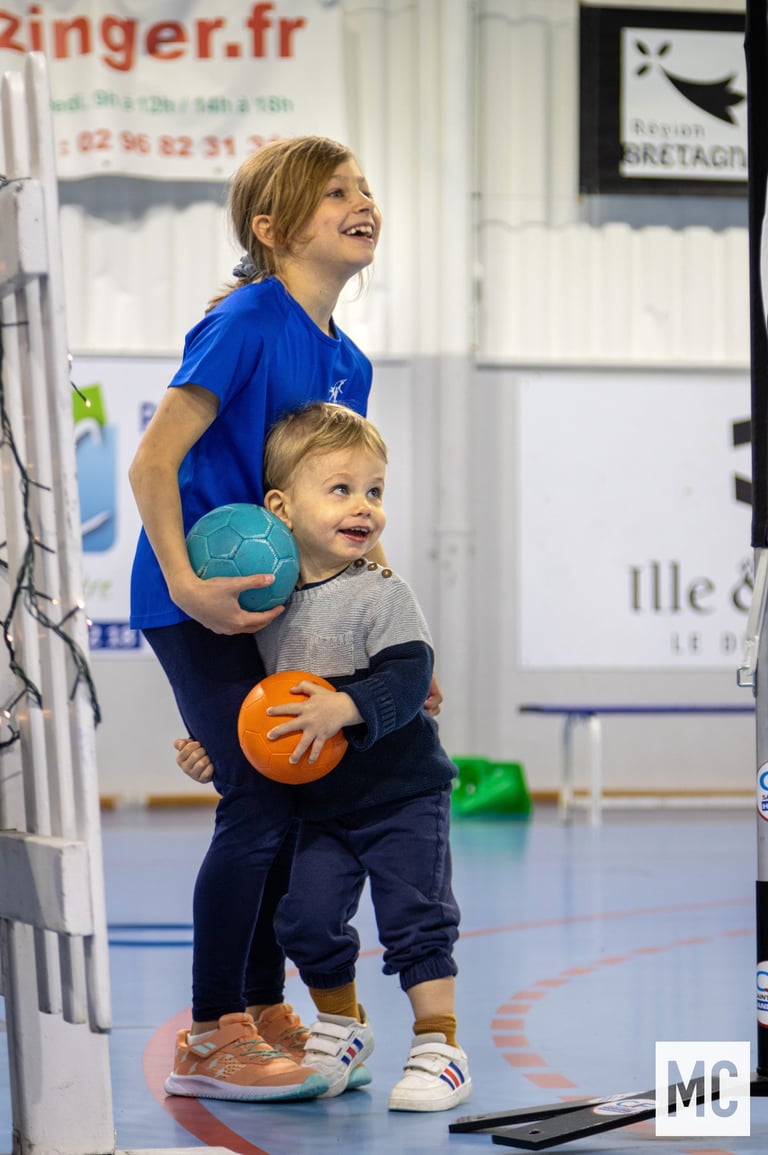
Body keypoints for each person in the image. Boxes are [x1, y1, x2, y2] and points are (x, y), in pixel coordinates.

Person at [129, 136, 387, 1103]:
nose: (361, 203)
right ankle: (209, 1034)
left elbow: (334, 513)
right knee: (260, 799)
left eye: (364, 190)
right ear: (272, 229)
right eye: (334, 194)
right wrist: (190, 582)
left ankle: (261, 1004)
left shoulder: (348, 362)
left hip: (280, 609)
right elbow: (152, 463)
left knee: (292, 785)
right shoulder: (243, 320)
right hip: (192, 596)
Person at [178, 402, 472, 1114]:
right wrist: (210, 747)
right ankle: (343, 1028)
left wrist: (347, 706)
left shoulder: (382, 592)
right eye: (340, 489)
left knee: (416, 920)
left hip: (402, 794)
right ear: (280, 506)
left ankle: (440, 1045)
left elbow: (408, 675)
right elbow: (260, 707)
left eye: (374, 490)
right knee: (304, 920)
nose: (363, 505)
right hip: (322, 806)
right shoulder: (267, 609)